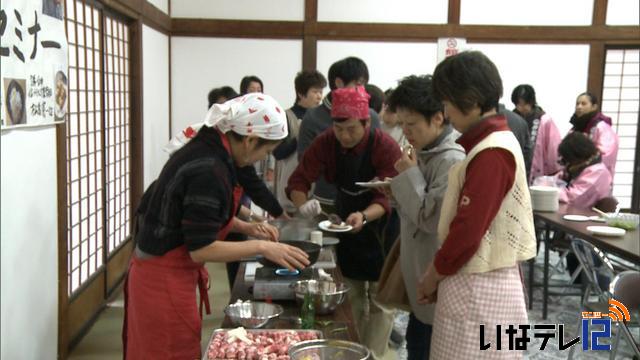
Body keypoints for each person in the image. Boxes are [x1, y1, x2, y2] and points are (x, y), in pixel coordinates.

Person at [123, 93, 310, 359]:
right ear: (249, 140)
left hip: (166, 272)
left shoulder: (211, 149)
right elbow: (201, 249)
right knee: (168, 352)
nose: (260, 160)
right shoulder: (210, 168)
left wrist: (247, 228)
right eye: (265, 152)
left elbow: (194, 218)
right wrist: (262, 247)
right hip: (162, 278)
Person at [417, 51, 536, 359]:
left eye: (446, 102)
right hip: (480, 280)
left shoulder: (492, 151)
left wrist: (432, 274)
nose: (445, 112)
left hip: (481, 285)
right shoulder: (491, 141)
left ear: (468, 99)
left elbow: (467, 231)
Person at [287, 86, 401, 360]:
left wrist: (364, 216)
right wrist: (302, 203)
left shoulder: (385, 145)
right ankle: (353, 350)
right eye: (339, 130)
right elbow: (299, 180)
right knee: (351, 295)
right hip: (344, 216)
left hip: (381, 224)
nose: (344, 136)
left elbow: (386, 197)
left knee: (381, 301)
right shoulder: (327, 141)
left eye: (351, 129)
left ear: (366, 122)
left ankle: (371, 354)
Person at [383, 75, 465, 360]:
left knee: (427, 348)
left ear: (439, 118)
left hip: (437, 281)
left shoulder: (451, 159)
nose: (406, 132)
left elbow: (430, 219)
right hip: (421, 275)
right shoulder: (425, 151)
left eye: (412, 124)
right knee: (417, 343)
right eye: (402, 124)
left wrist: (407, 174)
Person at [297, 56, 381, 213]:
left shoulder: (371, 116)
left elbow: (379, 159)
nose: (362, 91)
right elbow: (304, 161)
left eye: (364, 85)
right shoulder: (313, 117)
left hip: (364, 203)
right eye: (358, 85)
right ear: (339, 83)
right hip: (326, 202)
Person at [273, 69, 328, 215]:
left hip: (315, 185)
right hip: (291, 182)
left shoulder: (321, 119)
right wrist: (301, 135)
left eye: (321, 92)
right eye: (315, 92)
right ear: (301, 93)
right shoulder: (286, 116)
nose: (319, 97)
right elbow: (278, 153)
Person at [511, 84, 562, 183]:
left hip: (537, 171)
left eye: (524, 104)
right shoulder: (513, 119)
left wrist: (553, 172)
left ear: (531, 102)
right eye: (517, 104)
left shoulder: (544, 120)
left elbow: (553, 148)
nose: (520, 108)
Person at [557, 132, 612, 209]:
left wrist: (550, 191)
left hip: (588, 216)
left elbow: (573, 198)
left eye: (569, 159)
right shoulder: (582, 166)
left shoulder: (597, 172)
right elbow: (559, 179)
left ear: (578, 154)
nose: (568, 163)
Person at [569, 91, 619, 177]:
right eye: (577, 104)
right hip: (575, 176)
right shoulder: (574, 129)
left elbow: (606, 153)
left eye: (583, 104)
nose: (579, 107)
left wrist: (581, 165)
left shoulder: (602, 127)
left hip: (596, 177)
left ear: (594, 107)